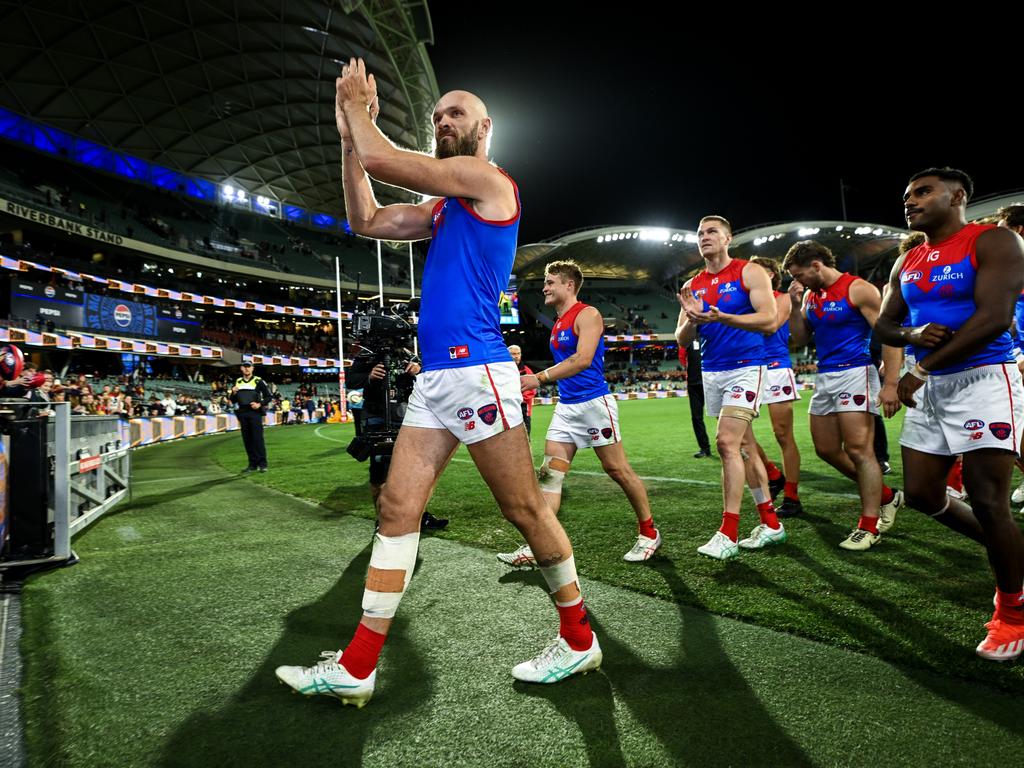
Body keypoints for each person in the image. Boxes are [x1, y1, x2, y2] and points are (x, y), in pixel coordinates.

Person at [275, 59, 601, 707]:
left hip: (478, 371)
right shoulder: (444, 210)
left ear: (484, 128)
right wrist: (348, 141)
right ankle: (359, 664)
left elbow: (386, 162)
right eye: (436, 117)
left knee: (525, 511)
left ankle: (579, 636)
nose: (442, 122)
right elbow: (366, 220)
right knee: (397, 509)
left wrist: (357, 114)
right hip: (439, 381)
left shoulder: (487, 180)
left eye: (454, 113)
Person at [875, 167, 1024, 660]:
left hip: (985, 380)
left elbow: (994, 317)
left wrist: (920, 368)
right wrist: (914, 338)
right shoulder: (909, 261)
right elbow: (885, 324)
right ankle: (1014, 560)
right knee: (921, 494)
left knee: (987, 498)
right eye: (907, 194)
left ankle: (1012, 611)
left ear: (957, 196)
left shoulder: (993, 241)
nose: (910, 201)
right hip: (933, 386)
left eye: (922, 192)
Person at [497, 260, 661, 566]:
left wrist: (540, 378)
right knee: (549, 477)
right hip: (567, 408)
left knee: (617, 471)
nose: (544, 287)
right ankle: (539, 546)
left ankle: (649, 533)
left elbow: (583, 359)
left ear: (569, 284)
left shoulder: (588, 314)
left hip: (594, 405)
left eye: (550, 282)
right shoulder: (557, 322)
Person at [675, 215, 786, 560]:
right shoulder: (693, 284)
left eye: (711, 232)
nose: (704, 237)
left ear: (727, 239)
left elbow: (768, 320)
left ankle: (729, 531)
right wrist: (693, 319)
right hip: (712, 371)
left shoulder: (748, 272)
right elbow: (681, 337)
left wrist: (721, 316)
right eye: (700, 233)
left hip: (746, 368)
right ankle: (771, 524)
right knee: (747, 448)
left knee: (726, 443)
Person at [784, 241, 904, 549]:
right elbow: (798, 340)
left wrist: (891, 383)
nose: (797, 282)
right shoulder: (810, 295)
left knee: (859, 450)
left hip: (856, 373)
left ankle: (869, 525)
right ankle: (888, 496)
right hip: (825, 375)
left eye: (799, 275)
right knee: (825, 449)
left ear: (816, 266)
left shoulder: (859, 289)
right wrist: (795, 306)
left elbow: (890, 336)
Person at [345, 346, 448, 531]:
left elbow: (433, 379)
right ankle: (383, 520)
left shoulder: (409, 354)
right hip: (378, 416)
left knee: (414, 469)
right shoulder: (368, 354)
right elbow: (351, 381)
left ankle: (419, 516)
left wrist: (419, 371)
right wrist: (370, 376)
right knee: (380, 470)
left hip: (407, 414)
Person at [749, 256, 802, 516]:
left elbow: (770, 327)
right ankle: (772, 472)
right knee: (737, 435)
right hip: (747, 368)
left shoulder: (781, 299)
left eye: (761, 269)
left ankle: (792, 496)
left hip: (775, 369)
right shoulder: (745, 302)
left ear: (771, 275)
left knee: (782, 434)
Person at [229, 361, 272, 473]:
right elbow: (233, 400)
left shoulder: (258, 381)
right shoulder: (238, 381)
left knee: (258, 439)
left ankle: (263, 464)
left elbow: (268, 396)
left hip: (255, 413)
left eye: (249, 367)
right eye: (245, 367)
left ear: (252, 368)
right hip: (242, 412)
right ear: (241, 368)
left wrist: (259, 404)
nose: (247, 369)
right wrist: (232, 393)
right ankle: (252, 465)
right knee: (247, 439)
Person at [681, 338, 712, 458]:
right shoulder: (687, 339)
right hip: (694, 384)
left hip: (710, 381)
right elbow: (682, 358)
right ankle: (704, 448)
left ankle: (733, 445)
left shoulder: (709, 335)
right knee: (696, 417)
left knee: (721, 415)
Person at [508, 344, 536, 436]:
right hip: (507, 406)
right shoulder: (502, 370)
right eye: (513, 354)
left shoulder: (526, 371)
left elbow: (532, 390)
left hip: (523, 406)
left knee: (525, 434)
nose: (516, 356)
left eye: (518, 353)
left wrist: (517, 398)